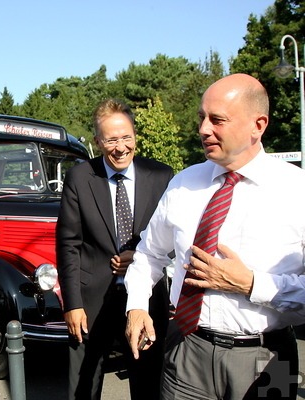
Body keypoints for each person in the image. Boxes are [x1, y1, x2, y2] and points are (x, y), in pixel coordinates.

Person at [125, 73, 305, 400]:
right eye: (201, 118)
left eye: (217, 120)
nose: (203, 129)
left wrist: (251, 284)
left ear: (258, 125)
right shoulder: (184, 183)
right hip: (186, 352)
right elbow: (148, 256)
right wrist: (136, 305)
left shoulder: (297, 191)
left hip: (267, 359)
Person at [57, 99, 174, 399]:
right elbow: (68, 243)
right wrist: (72, 303)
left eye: (126, 137)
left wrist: (140, 257)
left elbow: (176, 239)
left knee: (148, 386)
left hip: (145, 301)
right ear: (97, 141)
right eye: (111, 139)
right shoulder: (80, 178)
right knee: (82, 389)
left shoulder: (161, 176)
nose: (120, 147)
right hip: (90, 303)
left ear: (135, 135)